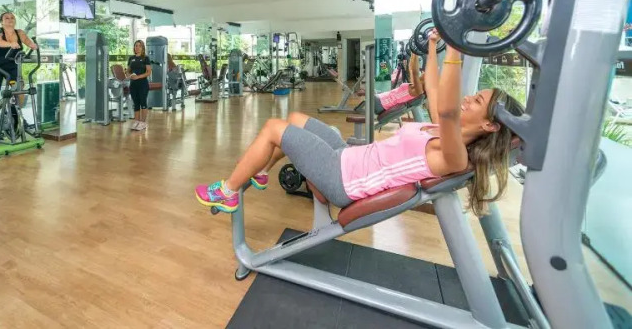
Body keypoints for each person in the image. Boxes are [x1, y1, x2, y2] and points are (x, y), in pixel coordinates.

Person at [196, 30, 524, 216]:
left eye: (477, 101)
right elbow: (434, 88)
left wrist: (454, 47)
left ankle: (228, 191)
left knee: (273, 127)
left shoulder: (454, 154)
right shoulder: (441, 129)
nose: (469, 98)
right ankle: (262, 171)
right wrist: (433, 46)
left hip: (343, 179)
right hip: (348, 157)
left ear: (490, 125)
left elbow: (449, 109)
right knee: (295, 118)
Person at [0, 12, 37, 129]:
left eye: (12, 17)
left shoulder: (20, 33)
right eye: (7, 18)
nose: (10, 19)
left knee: (19, 92)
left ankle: (16, 116)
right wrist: (11, 44)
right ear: (1, 21)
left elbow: (27, 41)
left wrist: (33, 45)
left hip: (11, 67)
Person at [127, 40, 152, 131]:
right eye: (136, 46)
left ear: (142, 48)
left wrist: (138, 77)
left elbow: (148, 72)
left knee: (143, 103)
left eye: (139, 46)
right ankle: (136, 122)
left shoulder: (145, 58)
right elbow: (128, 71)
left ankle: (143, 123)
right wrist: (130, 75)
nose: (137, 47)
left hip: (143, 84)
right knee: (136, 104)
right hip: (133, 84)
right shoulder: (131, 58)